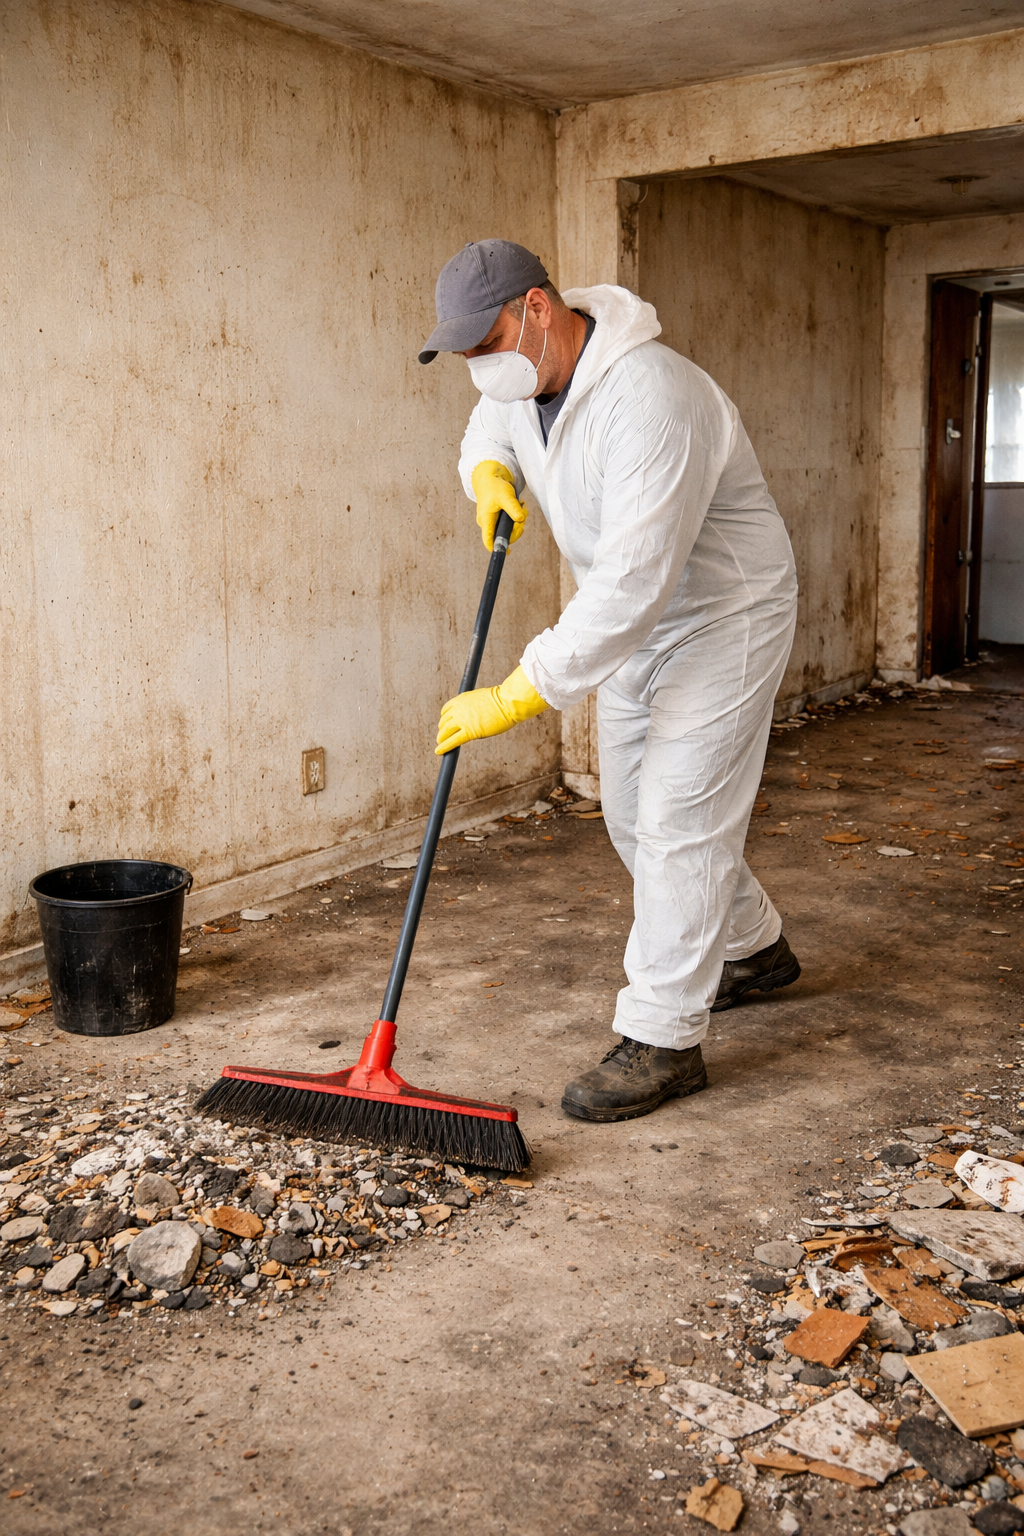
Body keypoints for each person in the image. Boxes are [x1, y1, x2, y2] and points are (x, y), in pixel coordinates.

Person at [419, 239, 800, 1123]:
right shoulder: (526, 376)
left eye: (487, 343)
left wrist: (519, 692)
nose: (481, 366)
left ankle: (663, 1037)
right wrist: (488, 476)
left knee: (677, 822)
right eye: (466, 352)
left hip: (723, 617)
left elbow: (632, 584)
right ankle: (753, 951)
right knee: (630, 814)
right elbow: (490, 427)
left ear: (537, 307)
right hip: (632, 622)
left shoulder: (653, 396)